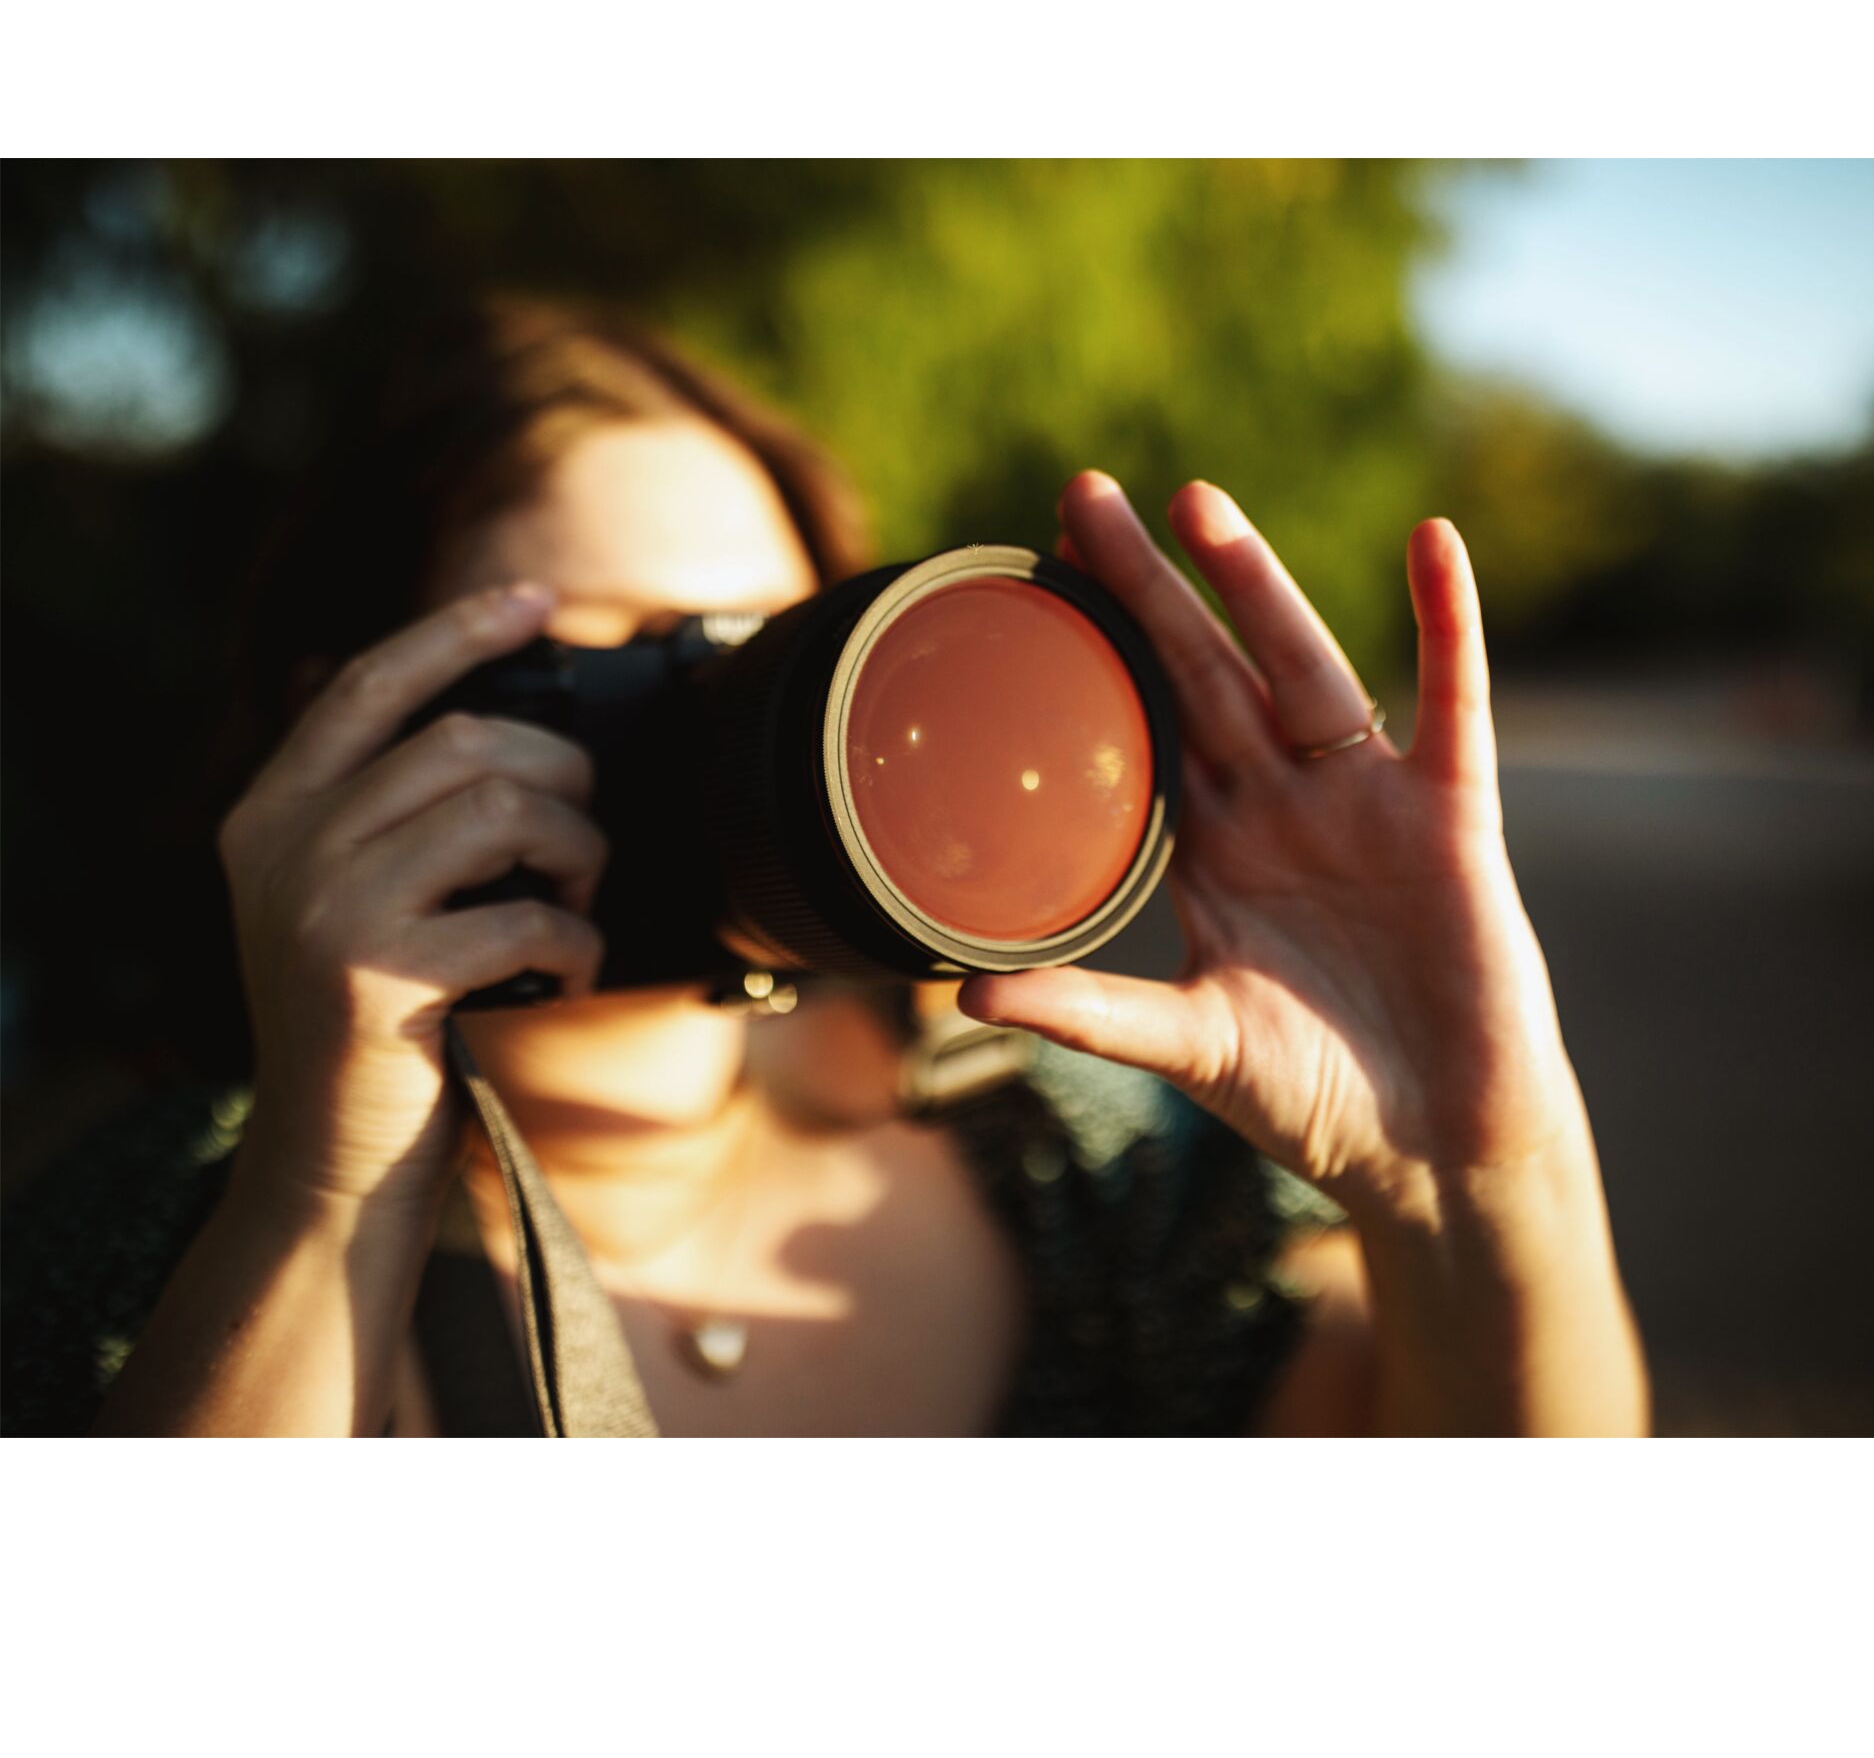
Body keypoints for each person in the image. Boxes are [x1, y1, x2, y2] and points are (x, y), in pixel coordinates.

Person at [11, 297, 1648, 1436]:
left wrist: (1479, 1187)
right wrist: (323, 1186)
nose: (746, 748)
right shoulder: (160, 1235)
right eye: (629, 669)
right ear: (350, 726)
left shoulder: (1073, 1163)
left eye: (762, 659)